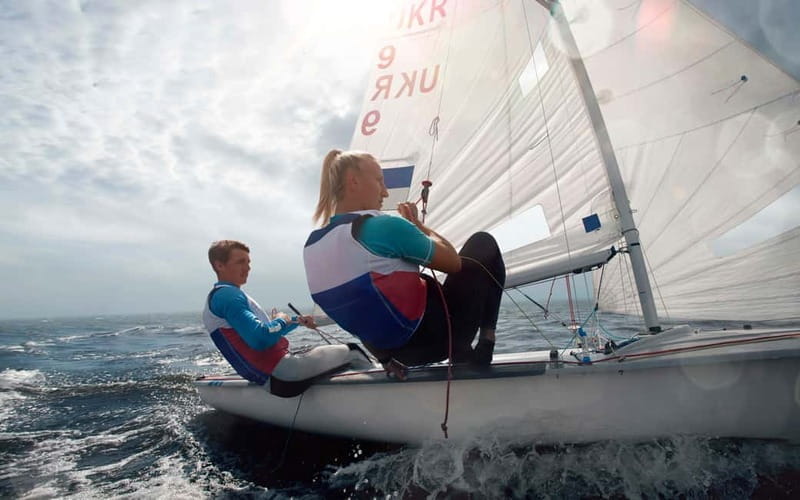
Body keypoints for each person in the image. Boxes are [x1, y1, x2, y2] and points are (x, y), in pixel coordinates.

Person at [303, 150, 506, 379]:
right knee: (483, 243)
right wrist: (417, 225)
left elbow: (357, 308)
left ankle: (394, 361)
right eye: (379, 180)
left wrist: (385, 359)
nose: (385, 191)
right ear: (354, 181)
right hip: (442, 339)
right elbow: (453, 262)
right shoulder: (383, 227)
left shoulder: (312, 247)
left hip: (396, 355)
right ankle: (485, 345)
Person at [203, 239, 369, 396]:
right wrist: (281, 319)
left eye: (248, 262)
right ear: (219, 265)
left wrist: (296, 321)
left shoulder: (223, 296)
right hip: (283, 374)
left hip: (274, 377)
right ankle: (378, 391)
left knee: (327, 357)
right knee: (354, 351)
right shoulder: (228, 296)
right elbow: (260, 339)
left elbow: (267, 334)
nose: (248, 268)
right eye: (240, 262)